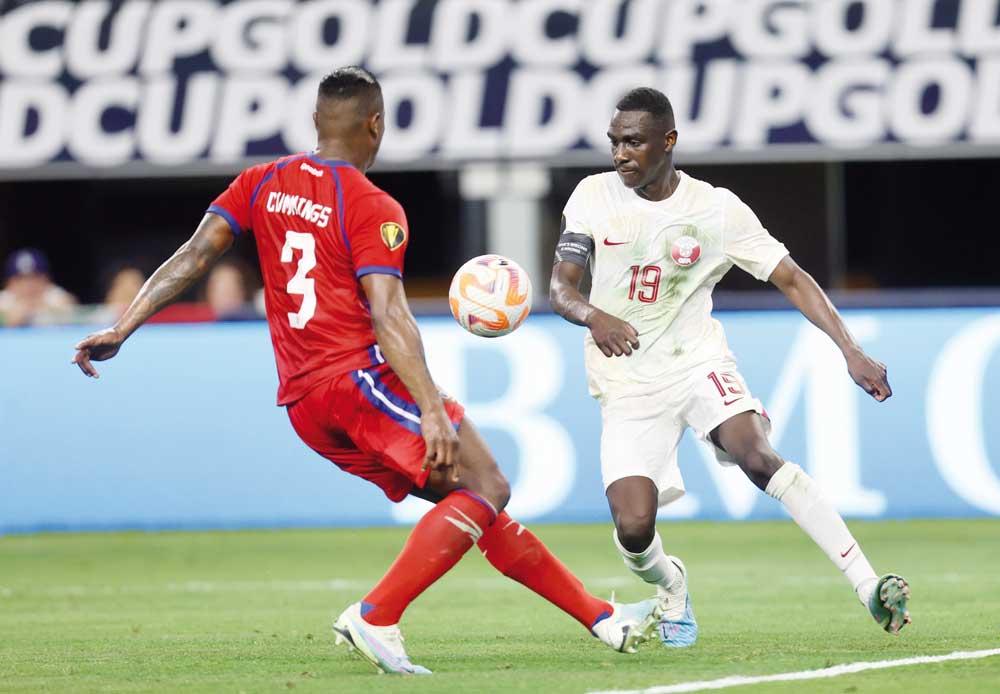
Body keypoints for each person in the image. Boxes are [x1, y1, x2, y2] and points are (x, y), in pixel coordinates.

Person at [71, 67, 665, 675]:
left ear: (315, 121)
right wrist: (432, 408)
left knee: (472, 503)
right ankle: (377, 615)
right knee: (487, 487)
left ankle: (601, 617)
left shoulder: (262, 181)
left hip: (305, 405)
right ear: (376, 124)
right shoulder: (370, 204)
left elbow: (194, 255)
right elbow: (389, 314)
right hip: (354, 382)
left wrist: (124, 325)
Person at [549, 87, 911, 648]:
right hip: (626, 379)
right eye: (615, 142)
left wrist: (850, 348)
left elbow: (791, 276)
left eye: (634, 142)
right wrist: (596, 317)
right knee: (634, 526)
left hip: (698, 361)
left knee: (758, 455)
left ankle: (868, 585)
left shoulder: (716, 209)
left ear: (667, 141)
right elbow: (561, 288)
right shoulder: (593, 196)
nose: (620, 153)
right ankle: (671, 583)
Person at [0, 248, 77, 326]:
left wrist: (38, 308)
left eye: (35, 278)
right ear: (9, 283)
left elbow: (70, 306)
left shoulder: (53, 295)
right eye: (21, 279)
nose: (28, 285)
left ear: (46, 279)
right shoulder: (5, 299)